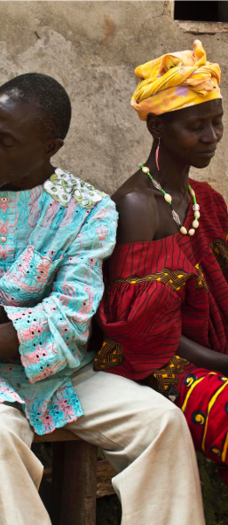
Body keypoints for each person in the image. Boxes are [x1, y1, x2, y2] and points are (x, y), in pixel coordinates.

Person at [0, 73, 205, 525]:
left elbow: (69, 322)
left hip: (58, 374)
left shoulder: (88, 210)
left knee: (160, 422)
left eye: (4, 141)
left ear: (51, 146)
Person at [94, 41, 228, 482]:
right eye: (196, 126)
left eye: (217, 123)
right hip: (153, 365)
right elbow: (144, 335)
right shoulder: (137, 206)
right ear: (157, 127)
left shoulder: (206, 200)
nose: (210, 137)